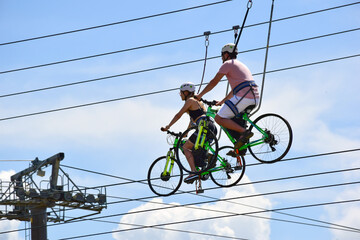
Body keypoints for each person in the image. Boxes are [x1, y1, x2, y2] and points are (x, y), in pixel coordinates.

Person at [196, 43, 260, 149]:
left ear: (226, 54)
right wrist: (222, 101)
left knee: (219, 118)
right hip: (252, 97)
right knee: (232, 118)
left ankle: (244, 132)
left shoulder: (227, 64)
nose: (222, 57)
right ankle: (240, 145)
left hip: (245, 97)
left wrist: (200, 95)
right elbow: (235, 89)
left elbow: (214, 81)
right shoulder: (240, 64)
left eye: (222, 55)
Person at [161, 82, 217, 183]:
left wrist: (168, 126)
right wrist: (186, 133)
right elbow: (193, 120)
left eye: (181, 92)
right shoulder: (198, 103)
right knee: (199, 148)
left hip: (202, 127)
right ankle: (207, 160)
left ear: (186, 92)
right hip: (211, 127)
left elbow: (178, 115)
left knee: (186, 147)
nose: (180, 94)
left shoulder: (190, 101)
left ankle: (193, 172)